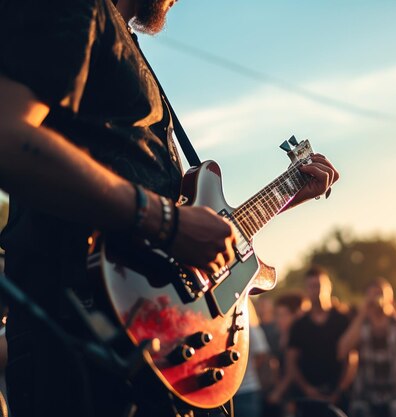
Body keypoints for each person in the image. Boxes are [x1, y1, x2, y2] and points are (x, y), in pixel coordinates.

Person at [0, 1, 340, 417]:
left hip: (161, 348)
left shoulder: (124, 42)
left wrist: (289, 194)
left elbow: (184, 224)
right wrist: (167, 221)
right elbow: (7, 138)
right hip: (85, 347)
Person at [337, 278, 396, 417]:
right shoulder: (360, 324)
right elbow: (342, 351)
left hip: (393, 395)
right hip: (365, 395)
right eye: (372, 294)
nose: (376, 298)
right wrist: (362, 315)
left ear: (390, 298)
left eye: (380, 293)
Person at [286, 266, 353, 412]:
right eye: (311, 286)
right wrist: (307, 389)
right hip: (308, 399)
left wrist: (339, 390)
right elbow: (291, 361)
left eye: (319, 286)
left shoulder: (342, 320)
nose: (315, 290)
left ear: (329, 287)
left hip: (338, 398)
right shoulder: (299, 325)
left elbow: (351, 358)